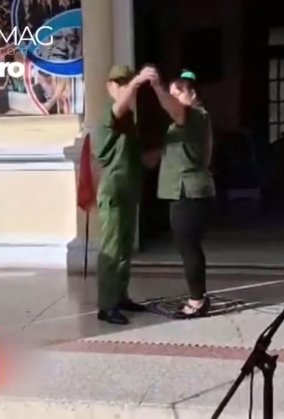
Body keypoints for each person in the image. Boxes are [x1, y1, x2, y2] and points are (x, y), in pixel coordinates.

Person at [147, 69, 215, 319]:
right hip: (180, 191)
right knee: (187, 245)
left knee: (189, 247)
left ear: (192, 94)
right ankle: (198, 296)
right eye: (172, 94)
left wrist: (157, 87)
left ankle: (197, 301)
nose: (174, 99)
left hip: (189, 191)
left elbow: (176, 111)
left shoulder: (196, 115)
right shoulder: (181, 122)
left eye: (178, 93)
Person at [92, 65, 154, 325]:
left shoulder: (129, 118)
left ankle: (120, 296)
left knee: (125, 249)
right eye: (120, 84)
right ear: (110, 87)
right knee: (112, 250)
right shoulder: (110, 112)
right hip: (114, 190)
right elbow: (117, 110)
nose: (125, 88)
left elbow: (138, 157)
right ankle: (106, 306)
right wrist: (137, 82)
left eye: (127, 83)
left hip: (128, 190)